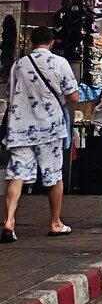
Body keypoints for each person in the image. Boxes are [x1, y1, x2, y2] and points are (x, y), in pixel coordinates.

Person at [2, 27, 78, 242]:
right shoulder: (60, 63)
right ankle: (55, 222)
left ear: (32, 43)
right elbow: (72, 96)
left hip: (20, 126)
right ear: (52, 42)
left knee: (17, 173)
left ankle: (9, 220)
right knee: (53, 174)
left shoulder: (19, 65)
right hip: (50, 127)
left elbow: (10, 94)